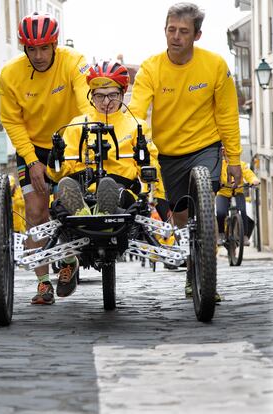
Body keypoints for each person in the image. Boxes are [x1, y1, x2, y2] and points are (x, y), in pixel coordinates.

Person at [128, 2, 242, 299]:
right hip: (167, 154)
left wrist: (235, 159)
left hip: (206, 146)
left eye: (183, 31)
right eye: (171, 30)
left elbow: (228, 115)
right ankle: (193, 268)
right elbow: (137, 114)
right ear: (164, 31)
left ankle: (207, 278)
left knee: (202, 210)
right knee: (181, 219)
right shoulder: (151, 68)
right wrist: (135, 146)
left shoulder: (215, 65)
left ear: (197, 35)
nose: (176, 37)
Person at [47, 60, 163, 298]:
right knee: (65, 186)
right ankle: (87, 216)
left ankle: (99, 213)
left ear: (123, 94)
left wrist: (147, 168)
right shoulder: (77, 125)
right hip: (83, 191)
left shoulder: (136, 126)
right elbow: (58, 172)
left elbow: (150, 166)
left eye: (112, 95)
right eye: (99, 96)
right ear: (91, 96)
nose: (106, 102)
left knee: (110, 187)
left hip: (121, 193)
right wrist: (55, 159)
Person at [0, 12, 93, 305]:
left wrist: (80, 142)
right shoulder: (11, 74)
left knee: (67, 206)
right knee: (36, 212)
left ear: (54, 44)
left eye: (44, 48)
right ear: (24, 48)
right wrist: (31, 159)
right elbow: (12, 122)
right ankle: (42, 283)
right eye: (31, 49)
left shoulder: (73, 61)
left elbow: (84, 104)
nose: (38, 56)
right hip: (33, 147)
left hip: (70, 143)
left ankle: (69, 261)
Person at [216, 148, 260, 246]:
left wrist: (253, 180)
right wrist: (218, 184)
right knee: (220, 213)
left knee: (243, 211)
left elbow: (248, 173)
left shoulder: (241, 164)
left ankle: (244, 236)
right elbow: (216, 177)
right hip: (223, 193)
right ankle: (221, 233)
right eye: (227, 154)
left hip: (238, 192)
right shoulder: (219, 166)